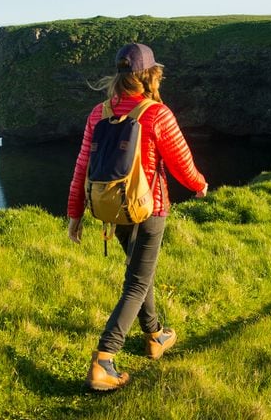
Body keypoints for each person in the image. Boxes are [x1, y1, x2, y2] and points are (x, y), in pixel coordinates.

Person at [67, 42, 208, 391]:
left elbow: (82, 166)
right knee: (137, 281)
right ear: (150, 75)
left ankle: (155, 335)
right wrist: (200, 185)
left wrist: (75, 214)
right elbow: (181, 162)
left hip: (112, 209)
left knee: (138, 273)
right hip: (150, 208)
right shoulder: (157, 114)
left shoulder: (98, 113)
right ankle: (104, 359)